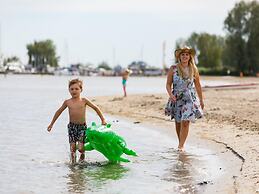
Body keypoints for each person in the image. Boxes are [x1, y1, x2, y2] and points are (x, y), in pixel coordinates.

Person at [47, 78, 107, 163]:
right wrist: (51, 124)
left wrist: (103, 119)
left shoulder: (84, 100)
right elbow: (59, 111)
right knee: (72, 148)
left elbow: (96, 108)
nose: (74, 91)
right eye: (72, 89)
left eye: (76, 89)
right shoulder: (67, 102)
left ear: (81, 90)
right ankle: (73, 164)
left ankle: (82, 157)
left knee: (80, 148)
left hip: (82, 127)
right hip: (72, 127)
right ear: (69, 90)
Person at [165, 46, 204, 152]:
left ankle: (181, 146)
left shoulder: (194, 69)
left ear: (190, 56)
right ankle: (180, 144)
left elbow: (198, 86)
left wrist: (201, 100)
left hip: (189, 98)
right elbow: (168, 84)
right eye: (183, 54)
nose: (185, 56)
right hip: (176, 98)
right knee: (178, 122)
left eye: (187, 54)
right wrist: (170, 95)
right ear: (179, 56)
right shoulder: (173, 68)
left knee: (185, 121)